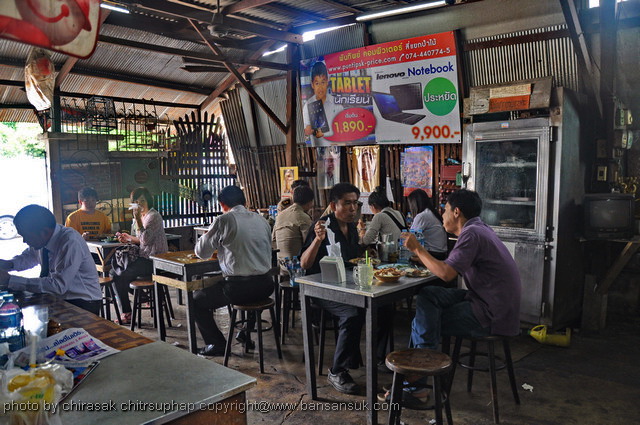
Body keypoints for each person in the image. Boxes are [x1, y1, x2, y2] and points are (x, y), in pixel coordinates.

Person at [396, 190, 521, 403]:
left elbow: (446, 274)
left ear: (456, 212)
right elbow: (449, 265)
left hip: (492, 313)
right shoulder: (478, 228)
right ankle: (418, 374)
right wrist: (424, 257)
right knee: (428, 294)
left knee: (424, 321)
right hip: (488, 300)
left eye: (444, 210)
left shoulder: (472, 234)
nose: (442, 215)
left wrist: (418, 249)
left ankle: (417, 383)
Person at [300, 183, 393, 395]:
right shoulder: (322, 226)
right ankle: (337, 371)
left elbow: (352, 257)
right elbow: (305, 264)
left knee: (385, 308)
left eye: (355, 203)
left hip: (346, 285)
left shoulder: (351, 227)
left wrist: (367, 254)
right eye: (347, 203)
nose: (353, 208)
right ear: (334, 205)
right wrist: (317, 240)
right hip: (321, 288)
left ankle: (378, 359)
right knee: (352, 314)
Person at [193, 185, 273, 357]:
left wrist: (208, 236)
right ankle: (245, 331)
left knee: (195, 301)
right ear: (245, 202)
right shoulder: (262, 220)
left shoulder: (224, 219)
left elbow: (202, 252)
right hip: (266, 286)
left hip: (239, 289)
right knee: (252, 292)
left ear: (222, 204)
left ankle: (217, 344)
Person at [0, 205, 102, 314]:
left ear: (44, 232)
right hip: (59, 296)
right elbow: (29, 257)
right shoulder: (42, 239)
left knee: (24, 313)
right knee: (17, 306)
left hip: (83, 301)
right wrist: (7, 264)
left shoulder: (70, 241)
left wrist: (10, 280)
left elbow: (58, 285)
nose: (24, 241)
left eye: (26, 236)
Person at [110, 187, 167, 325]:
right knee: (114, 272)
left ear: (148, 201)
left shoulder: (153, 216)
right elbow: (140, 239)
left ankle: (128, 313)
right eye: (136, 201)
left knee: (118, 275)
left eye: (142, 200)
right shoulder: (140, 217)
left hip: (155, 260)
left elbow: (145, 240)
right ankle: (144, 297)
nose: (139, 204)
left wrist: (138, 221)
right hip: (144, 258)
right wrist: (128, 238)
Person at [273, 185, 314, 273]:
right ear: (310, 202)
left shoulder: (280, 216)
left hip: (281, 264)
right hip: (296, 266)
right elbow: (309, 243)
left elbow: (273, 239)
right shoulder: (303, 217)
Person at [303, 61, 342, 140]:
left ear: (327, 82)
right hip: (318, 144)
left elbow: (343, 129)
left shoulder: (337, 103)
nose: (320, 88)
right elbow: (306, 132)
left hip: (337, 143)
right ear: (312, 84)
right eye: (317, 83)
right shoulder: (307, 106)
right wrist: (308, 130)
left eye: (323, 82)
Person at [407, 189, 448, 260]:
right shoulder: (431, 212)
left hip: (432, 253)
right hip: (441, 253)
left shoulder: (422, 216)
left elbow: (411, 237)